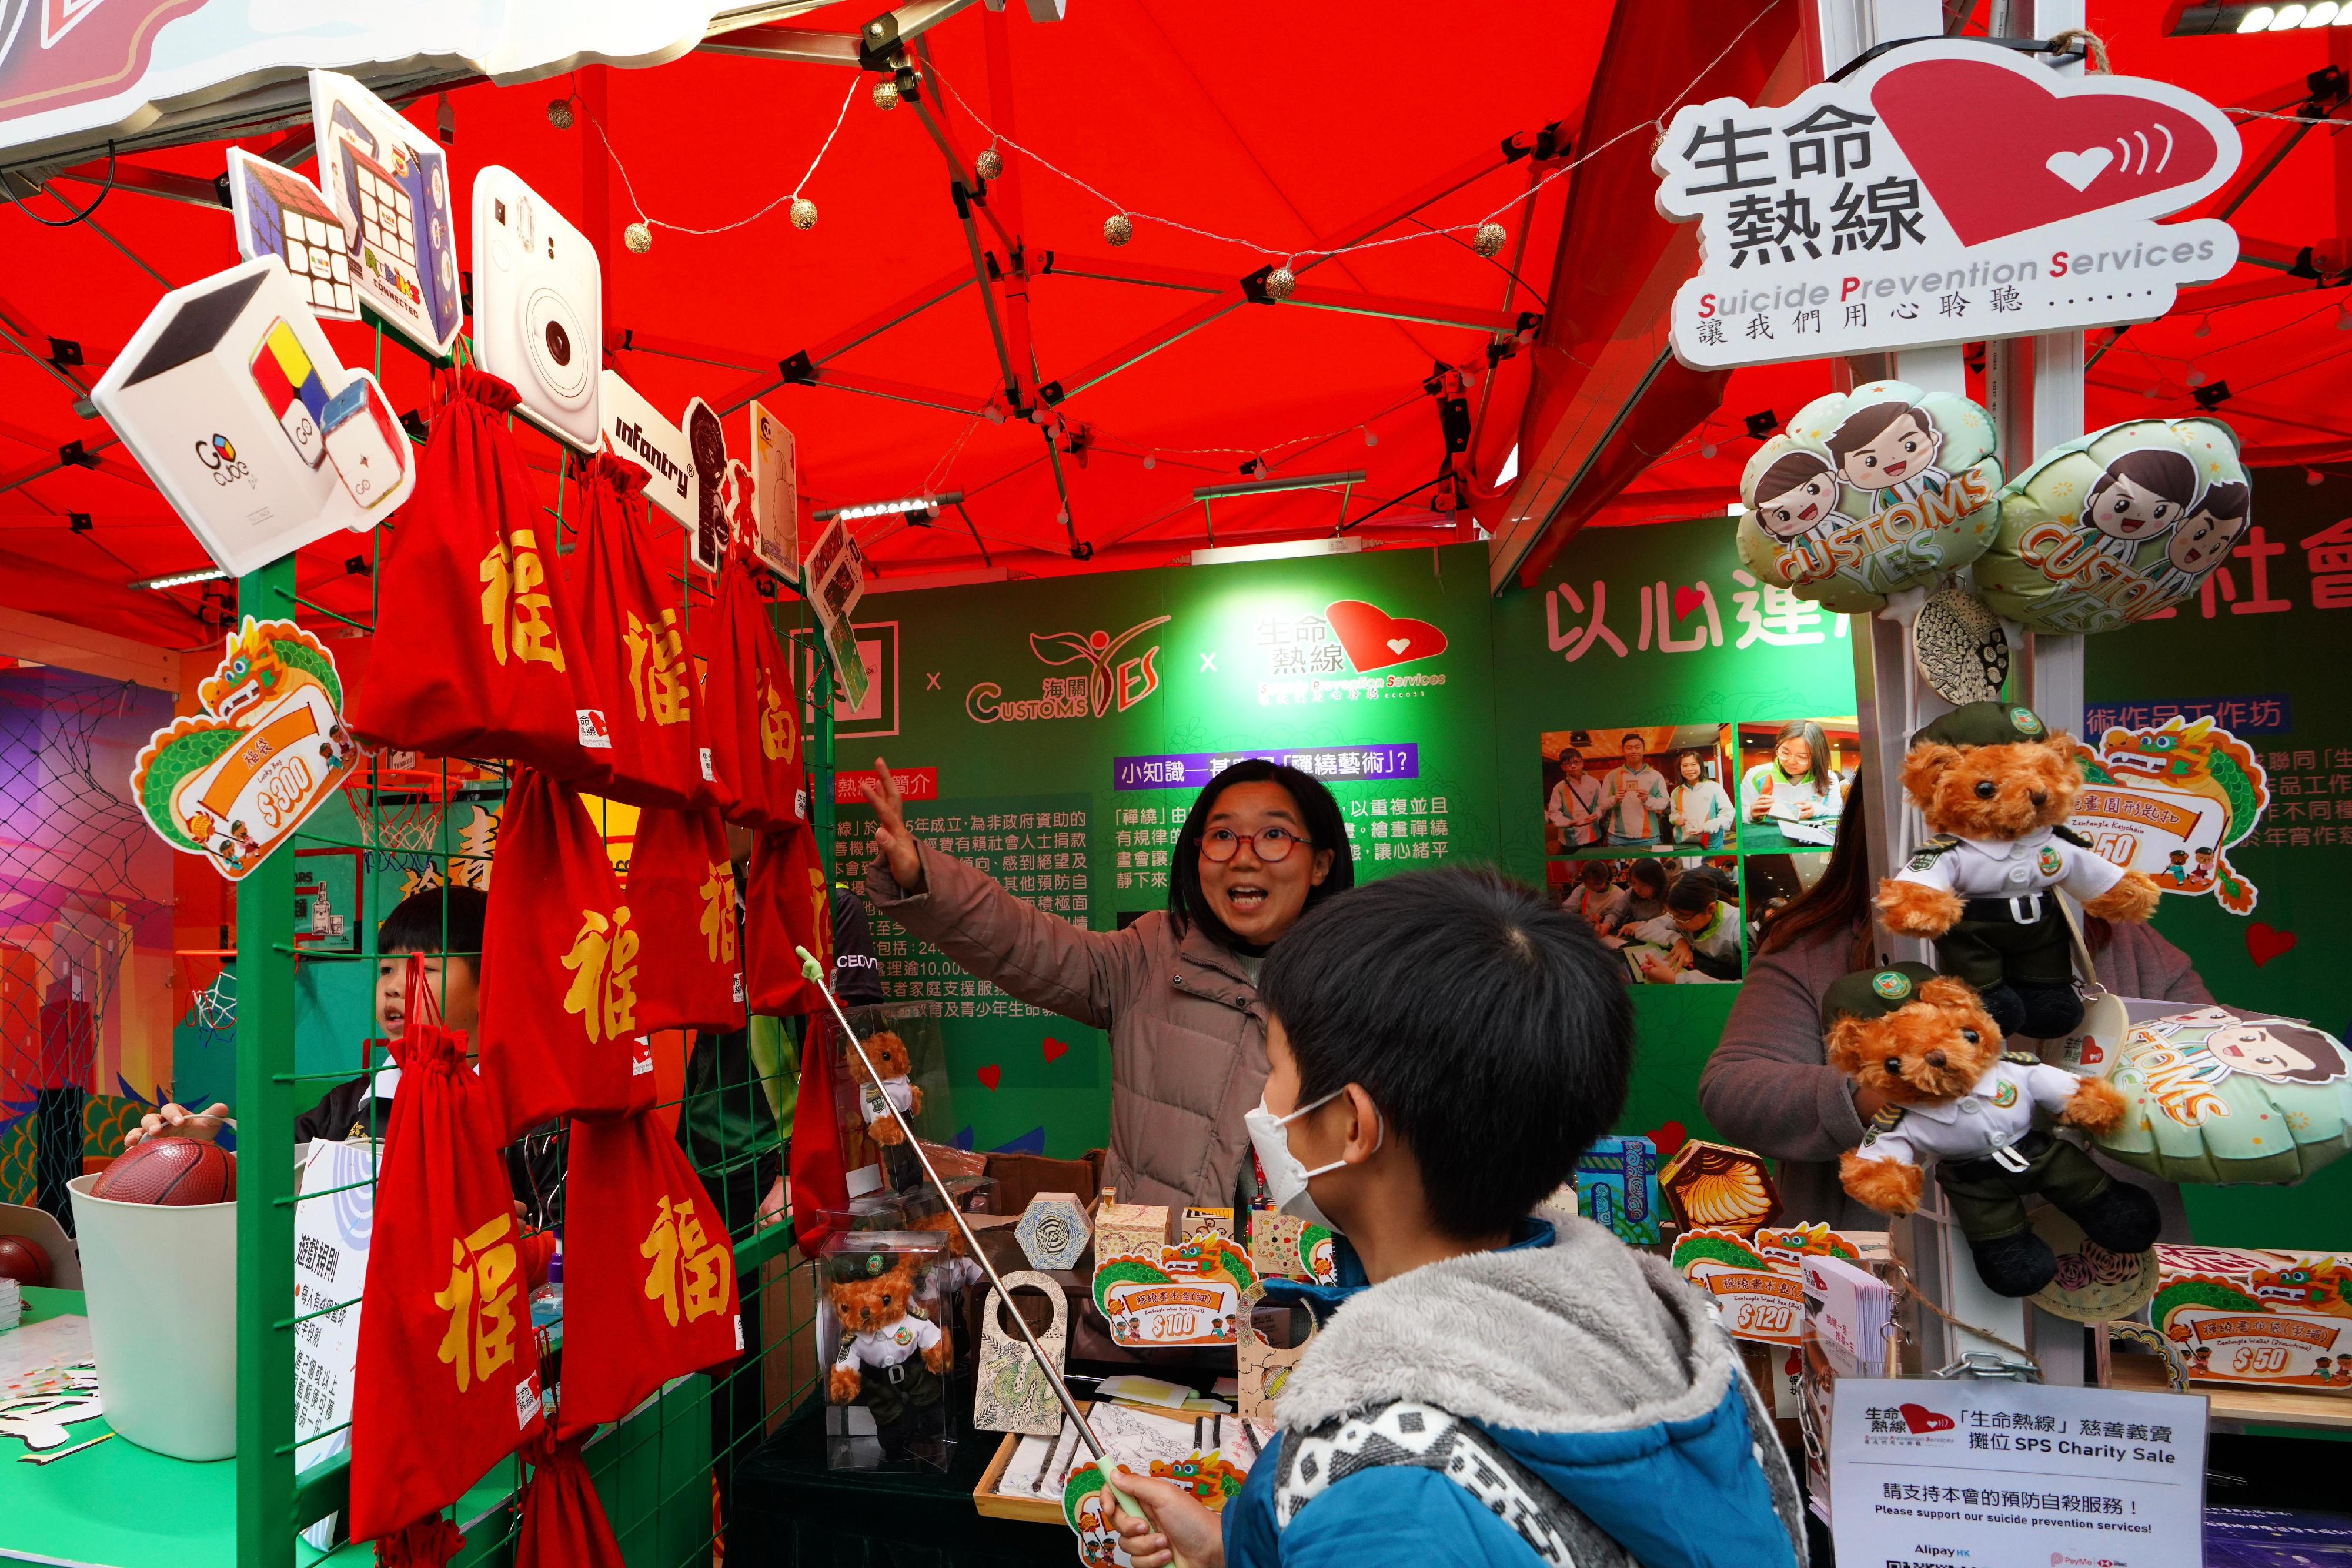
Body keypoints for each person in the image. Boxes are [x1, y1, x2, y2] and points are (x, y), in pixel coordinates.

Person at [1105, 868, 1805, 1568]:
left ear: (1352, 1123)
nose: (1265, 1100)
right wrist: (1231, 1551)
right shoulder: (1645, 1333)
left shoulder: (1389, 1513)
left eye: (1277, 1066)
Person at [1700, 781, 2212, 1233]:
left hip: (2106, 1275)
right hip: (1895, 1284)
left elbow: (2213, 1056)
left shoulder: (2112, 940)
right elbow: (1734, 1088)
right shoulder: (1819, 948)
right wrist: (1872, 1093)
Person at [861, 755, 1354, 1211]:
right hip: (1155, 1285)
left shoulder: (1358, 984)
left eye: (1274, 834)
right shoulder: (1151, 951)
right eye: (1223, 835)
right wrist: (922, 875)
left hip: (1311, 1287)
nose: (1244, 857)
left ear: (1321, 864)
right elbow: (1023, 941)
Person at [125, 887, 566, 1223]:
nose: (394, 986)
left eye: (422, 970)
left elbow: (564, 1256)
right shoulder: (347, 1106)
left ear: (492, 984)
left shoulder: (539, 1115)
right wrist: (193, 1152)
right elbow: (270, 1175)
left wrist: (510, 1237)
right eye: (387, 969)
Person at [1619, 873, 1741, 985]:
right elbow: (1642, 930)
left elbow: (1746, 985)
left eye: (1682, 918)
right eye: (1672, 916)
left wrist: (1675, 979)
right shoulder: (1681, 914)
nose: (1676, 922)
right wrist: (1678, 940)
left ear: (1710, 909)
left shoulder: (1738, 927)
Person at [1740, 720, 1843, 831]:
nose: (1791, 761)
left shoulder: (1829, 778)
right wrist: (1751, 813)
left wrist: (1817, 810)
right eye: (1785, 752)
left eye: (1803, 757)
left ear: (1818, 756)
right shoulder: (1756, 775)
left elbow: (1839, 814)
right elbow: (1737, 819)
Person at [1600, 733, 1669, 847]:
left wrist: (1648, 800)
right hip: (1618, 838)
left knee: (1650, 865)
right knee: (1618, 865)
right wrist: (1615, 799)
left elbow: (1664, 803)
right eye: (1629, 748)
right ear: (1623, 751)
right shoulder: (1612, 776)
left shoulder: (1656, 776)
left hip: (1649, 837)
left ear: (1644, 750)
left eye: (1637, 747)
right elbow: (1602, 803)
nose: (1633, 751)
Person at [1668, 749, 1735, 850]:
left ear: (1701, 766)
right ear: (1680, 769)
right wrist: (1676, 819)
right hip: (1683, 844)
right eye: (1685, 766)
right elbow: (1673, 814)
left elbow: (1728, 814)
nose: (1690, 769)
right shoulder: (1676, 792)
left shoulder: (1714, 787)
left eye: (1694, 764)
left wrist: (1706, 828)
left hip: (1710, 845)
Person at [1544, 748, 1604, 852]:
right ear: (1563, 767)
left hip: (1593, 834)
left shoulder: (1594, 783)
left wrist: (1597, 815)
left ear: (1582, 763)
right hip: (1569, 838)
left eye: (1576, 762)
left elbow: (1601, 805)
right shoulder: (1559, 788)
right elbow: (1554, 813)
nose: (1573, 766)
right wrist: (1570, 823)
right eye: (1568, 764)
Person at [1562, 858, 1627, 930]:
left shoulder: (1618, 894)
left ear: (1606, 877)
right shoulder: (1582, 890)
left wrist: (1603, 919)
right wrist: (1583, 918)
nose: (1592, 888)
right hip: (1586, 930)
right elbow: (1566, 910)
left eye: (1597, 884)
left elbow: (1621, 917)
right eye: (1588, 884)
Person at [1610, 857, 1669, 932]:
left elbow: (1670, 922)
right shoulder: (1631, 893)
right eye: (1633, 883)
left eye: (1643, 885)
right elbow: (1617, 913)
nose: (1637, 889)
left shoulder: (1668, 896)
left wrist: (1639, 925)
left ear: (1657, 882)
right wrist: (1607, 924)